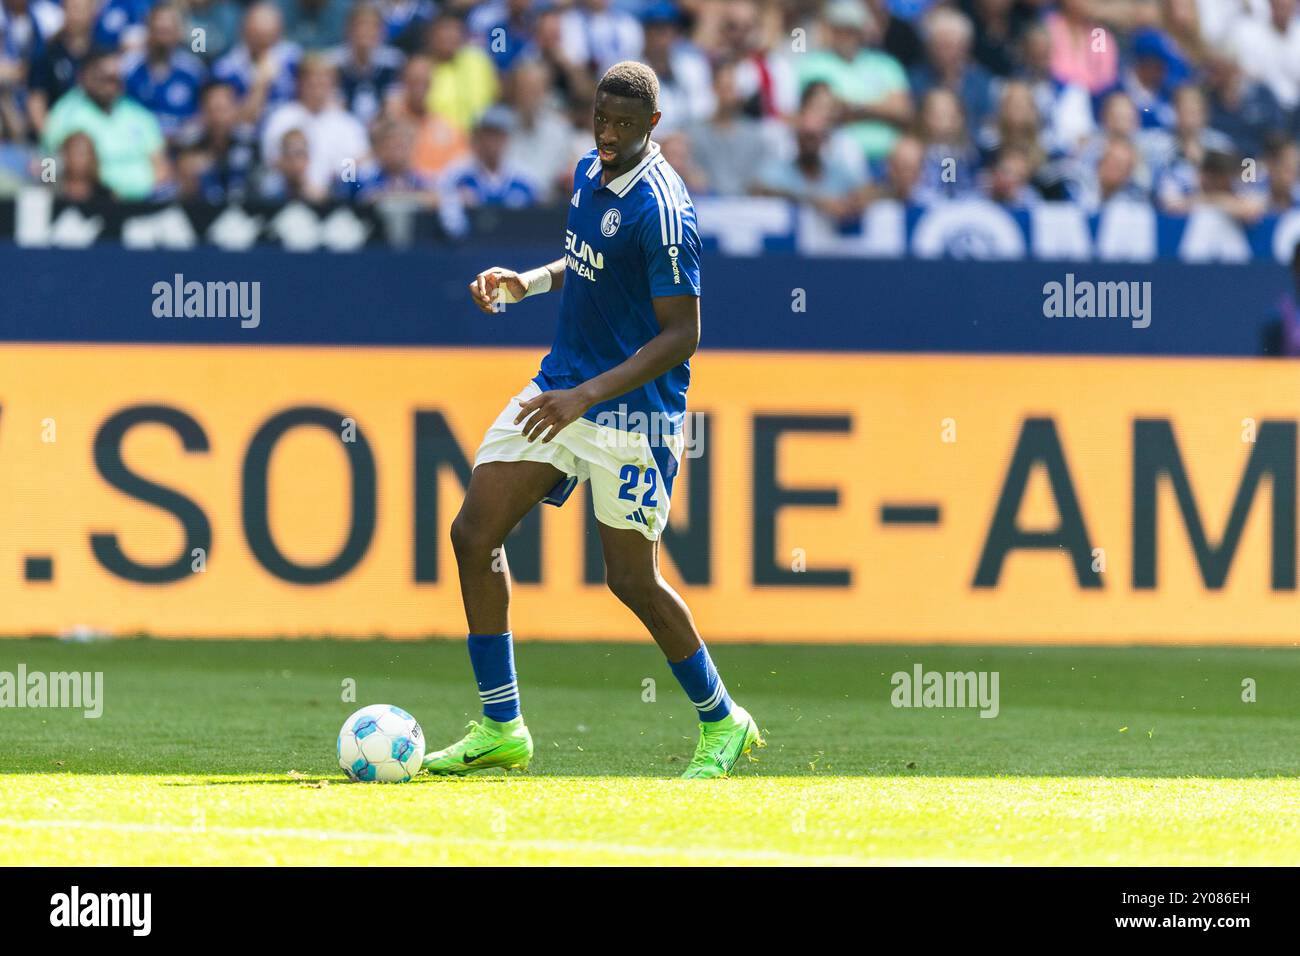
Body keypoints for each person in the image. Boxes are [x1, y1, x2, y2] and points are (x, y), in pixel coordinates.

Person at [425, 61, 763, 781]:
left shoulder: (665, 212)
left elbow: (683, 336)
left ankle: (723, 720)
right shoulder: (589, 170)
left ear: (653, 126)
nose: (606, 134)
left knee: (631, 580)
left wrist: (589, 398)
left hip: (632, 418)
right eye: (599, 119)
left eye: (621, 124)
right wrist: (529, 282)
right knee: (473, 532)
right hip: (561, 387)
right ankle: (501, 724)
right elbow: (588, 263)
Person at [41, 47, 169, 199]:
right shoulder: (65, 113)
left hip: (143, 205)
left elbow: (161, 167)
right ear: (84, 77)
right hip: (92, 203)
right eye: (104, 78)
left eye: (115, 79)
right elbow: (48, 163)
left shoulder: (139, 114)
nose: (110, 85)